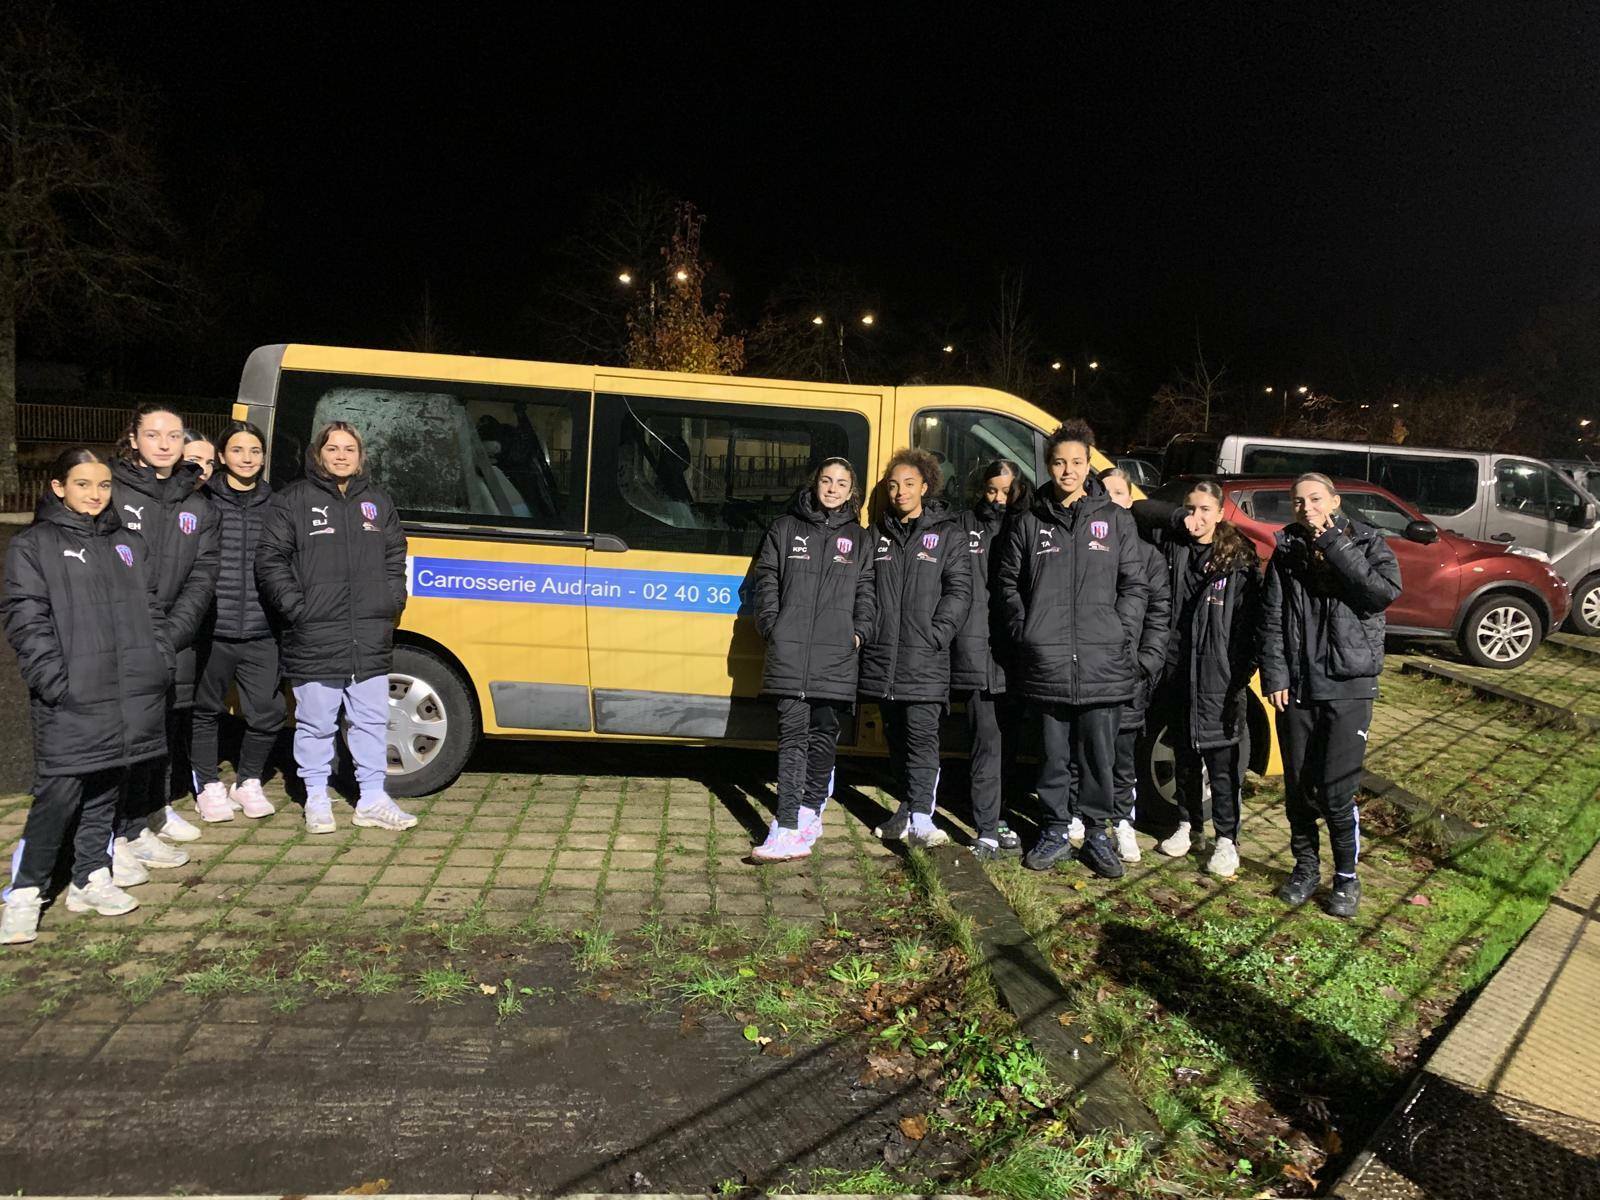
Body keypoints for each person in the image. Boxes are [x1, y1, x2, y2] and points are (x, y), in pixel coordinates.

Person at [1, 449, 173, 943]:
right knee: (58, 794)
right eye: (82, 484)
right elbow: (26, 618)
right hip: (73, 695)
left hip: (130, 692)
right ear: (58, 487)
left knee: (106, 786)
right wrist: (55, 681)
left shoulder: (128, 543)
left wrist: (159, 662)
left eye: (103, 485)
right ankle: (25, 892)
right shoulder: (33, 545)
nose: (95, 494)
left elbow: (151, 609)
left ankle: (90, 875)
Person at [996, 421, 1148, 878]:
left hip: (1103, 661)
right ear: (1048, 465)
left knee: (1099, 757)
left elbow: (1134, 584)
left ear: (1089, 466)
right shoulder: (1029, 520)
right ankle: (1055, 830)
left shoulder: (1116, 519)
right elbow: (1007, 584)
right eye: (1059, 462)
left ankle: (1097, 834)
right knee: (1052, 756)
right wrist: (1028, 632)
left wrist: (1119, 633)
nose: (1068, 470)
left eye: (1077, 462)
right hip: (1047, 661)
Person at [257, 421, 414, 832]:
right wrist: (297, 608)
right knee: (316, 723)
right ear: (318, 454)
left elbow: (395, 554)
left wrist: (391, 600)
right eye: (333, 448)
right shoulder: (292, 500)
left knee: (371, 720)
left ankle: (372, 799)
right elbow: (270, 560)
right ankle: (316, 797)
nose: (341, 456)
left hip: (369, 633)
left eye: (349, 449)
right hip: (315, 633)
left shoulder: (377, 501)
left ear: (360, 457)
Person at [1261, 472, 1400, 917]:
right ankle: (1305, 868)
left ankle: (1346, 877)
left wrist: (1334, 544)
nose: (1307, 508)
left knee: (1337, 791)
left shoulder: (1367, 542)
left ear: (1335, 502)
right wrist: (1276, 677)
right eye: (1298, 501)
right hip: (1298, 687)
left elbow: (1379, 594)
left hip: (1348, 684)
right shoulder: (1287, 550)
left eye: (1315, 499)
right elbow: (1272, 617)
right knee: (1299, 788)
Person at [110, 403, 219, 879]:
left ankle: (139, 825)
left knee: (155, 738)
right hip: (118, 639)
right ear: (134, 439)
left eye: (173, 436)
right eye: (153, 434)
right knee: (119, 742)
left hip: (169, 640)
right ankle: (110, 836)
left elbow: (202, 576)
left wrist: (171, 635)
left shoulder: (197, 504)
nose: (164, 444)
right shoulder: (111, 491)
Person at [748, 457, 876, 862]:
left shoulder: (861, 539)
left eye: (841, 483)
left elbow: (867, 592)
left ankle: (810, 809)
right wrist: (773, 626)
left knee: (823, 735)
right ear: (815, 484)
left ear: (851, 491)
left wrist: (858, 633)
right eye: (826, 480)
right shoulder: (785, 528)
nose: (832, 489)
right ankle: (786, 826)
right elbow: (766, 579)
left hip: (836, 655)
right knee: (791, 738)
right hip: (790, 651)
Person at [1143, 479, 1261, 878]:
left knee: (1222, 759)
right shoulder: (1174, 544)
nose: (1197, 517)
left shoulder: (1238, 558)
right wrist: (1179, 517)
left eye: (1205, 510)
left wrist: (1238, 674)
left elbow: (1251, 625)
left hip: (1217, 674)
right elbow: (1140, 510)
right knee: (1184, 753)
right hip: (1177, 667)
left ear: (1221, 513)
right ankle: (1188, 825)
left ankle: (1227, 839)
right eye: (1190, 508)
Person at [859, 449, 971, 849]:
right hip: (884, 659)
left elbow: (960, 591)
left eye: (909, 484)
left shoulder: (948, 535)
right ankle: (907, 809)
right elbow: (865, 588)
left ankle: (923, 817)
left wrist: (937, 633)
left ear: (925, 487)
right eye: (893, 485)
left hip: (925, 657)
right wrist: (871, 630)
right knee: (896, 740)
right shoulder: (876, 535)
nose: (900, 492)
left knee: (923, 739)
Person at [190, 421, 284, 822]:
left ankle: (248, 781)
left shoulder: (277, 503)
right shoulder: (202, 499)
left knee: (268, 712)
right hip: (213, 627)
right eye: (238, 450)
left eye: (255, 451)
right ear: (222, 456)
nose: (247, 458)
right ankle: (208, 785)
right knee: (205, 710)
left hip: (262, 628)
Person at [951, 459, 1029, 860]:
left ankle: (1000, 816)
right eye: (991, 490)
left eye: (1006, 491)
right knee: (986, 741)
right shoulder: (962, 526)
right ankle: (987, 827)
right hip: (977, 648)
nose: (998, 498)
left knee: (1010, 742)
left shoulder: (1027, 525)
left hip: (1016, 651)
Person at [1098, 469, 1171, 864]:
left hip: (1129, 672)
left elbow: (1159, 614)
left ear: (1130, 501)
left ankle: (1122, 820)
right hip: (1087, 672)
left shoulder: (1148, 555)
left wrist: (1146, 660)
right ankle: (1080, 818)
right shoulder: (1083, 547)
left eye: (1117, 492)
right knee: (1082, 751)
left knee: (1123, 755)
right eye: (1102, 492)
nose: (1110, 499)